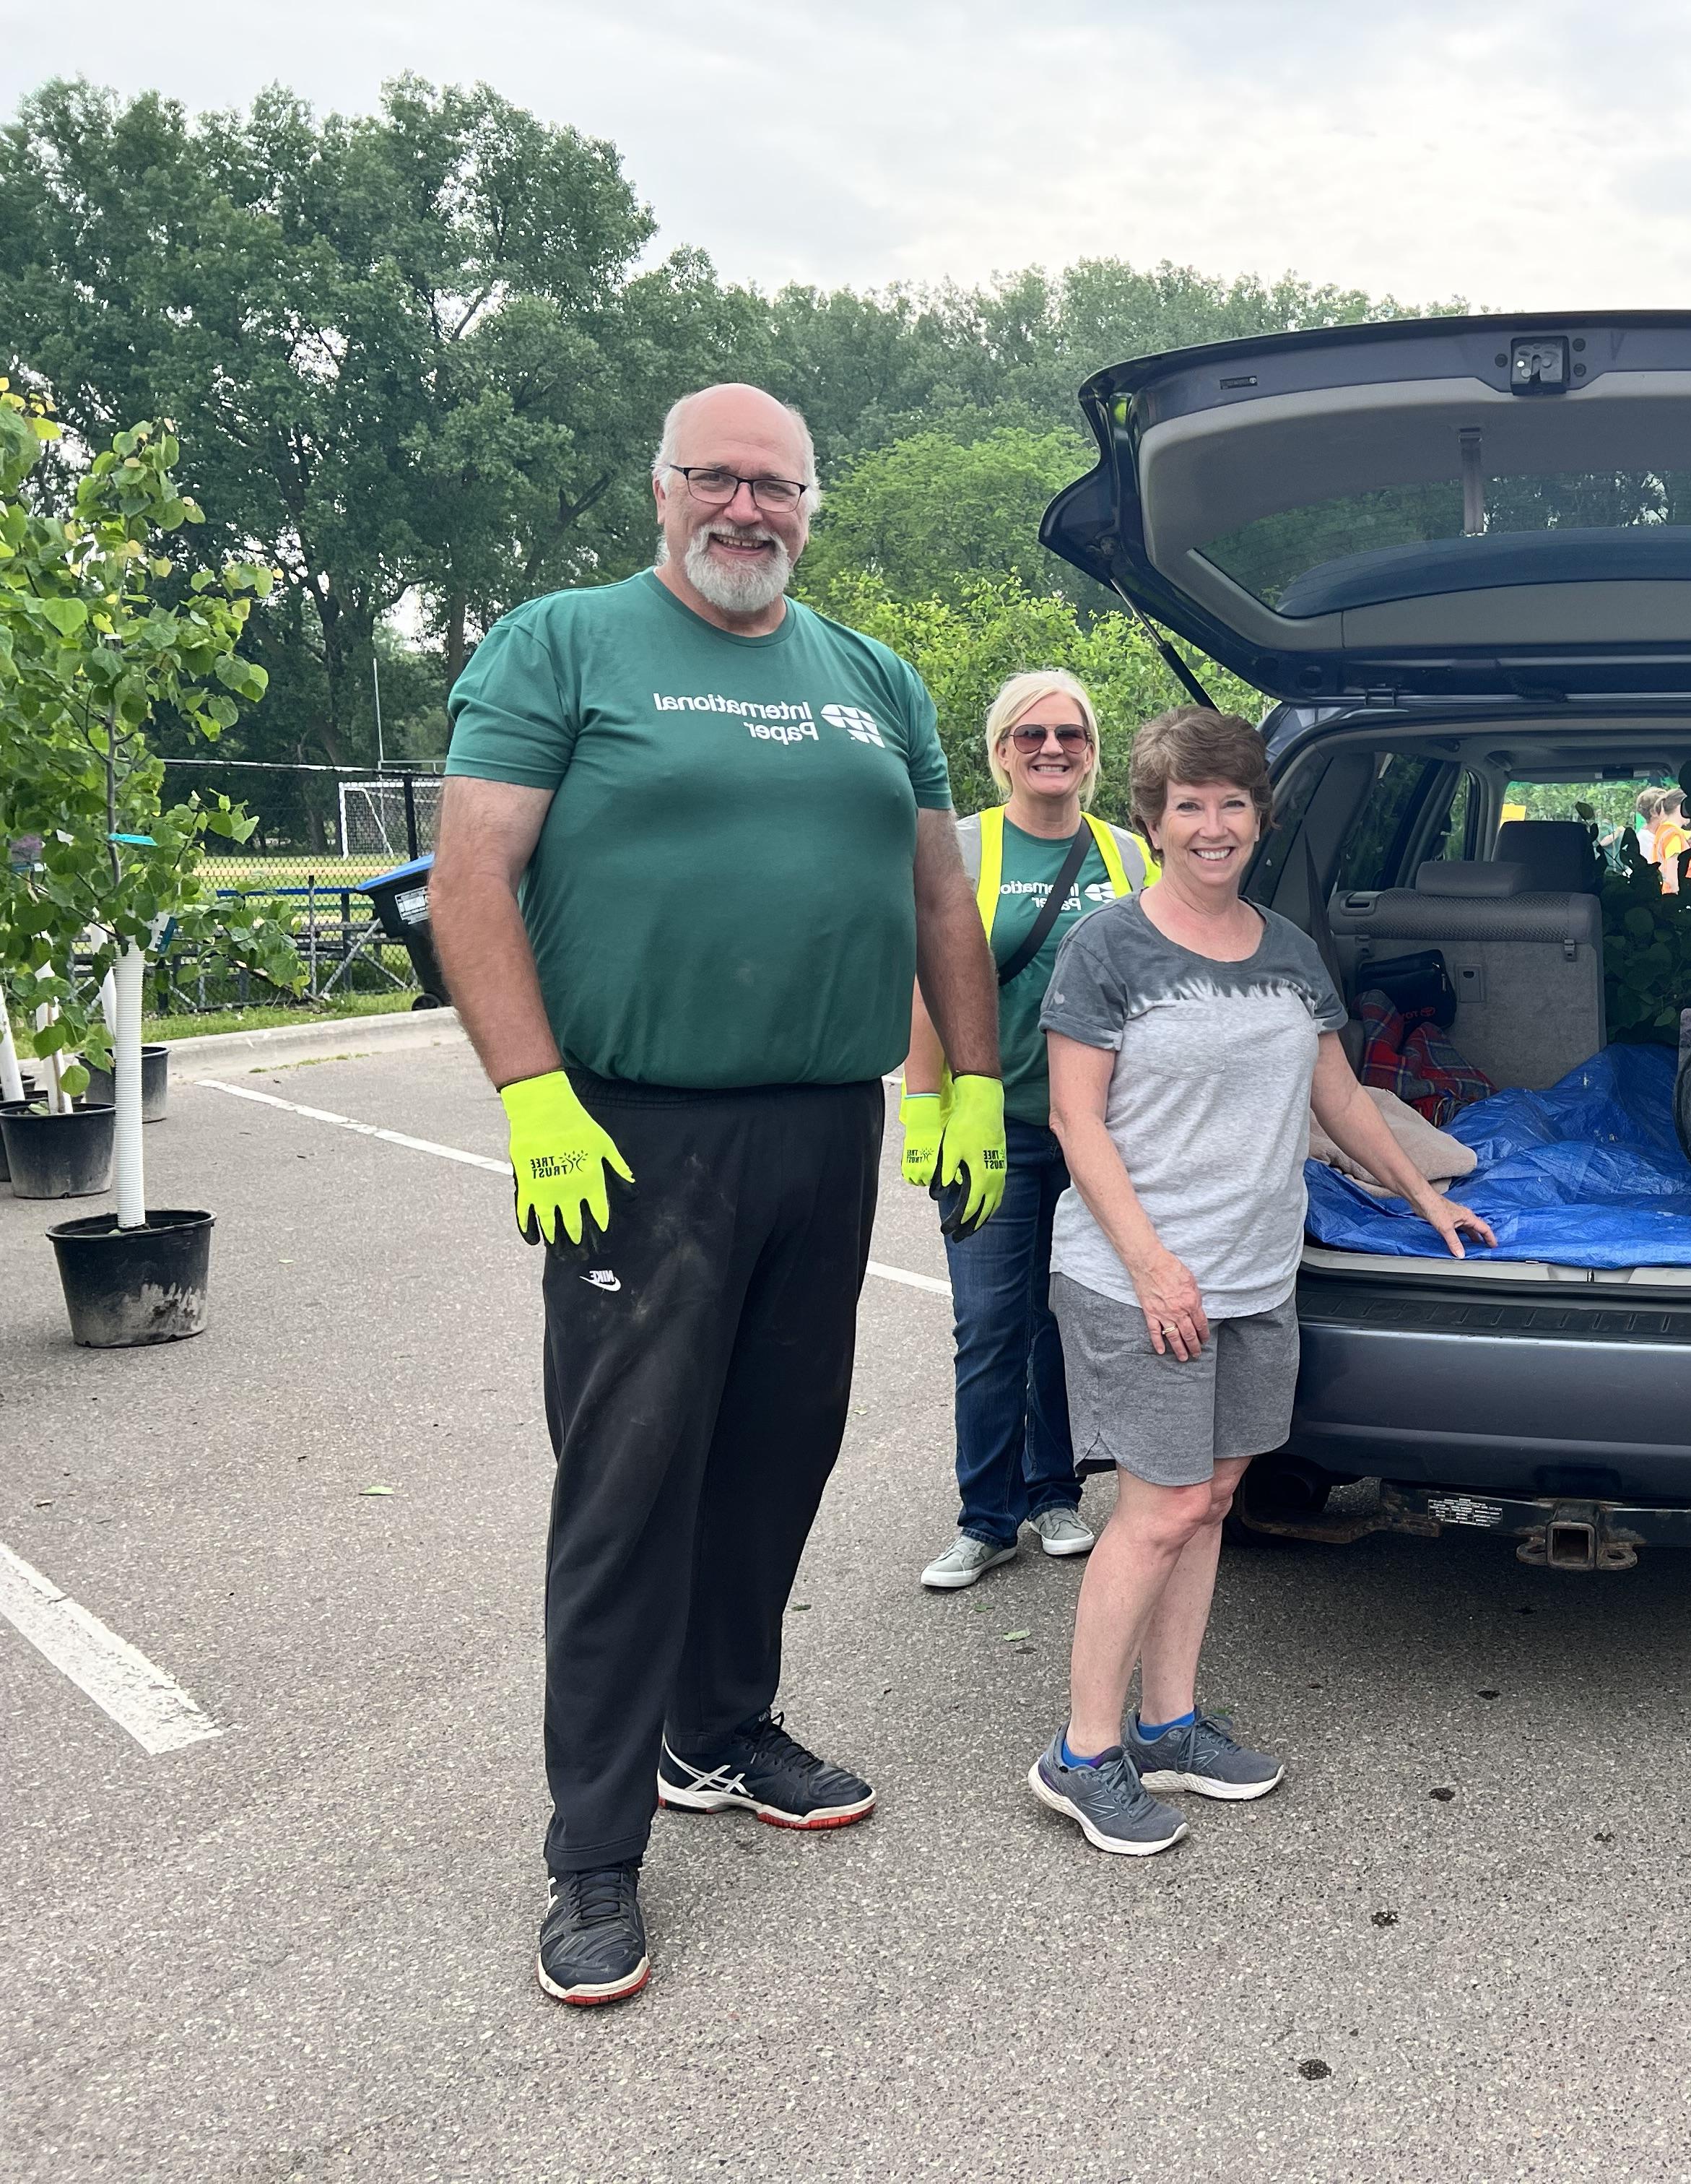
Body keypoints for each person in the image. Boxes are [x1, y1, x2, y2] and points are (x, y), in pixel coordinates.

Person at [432, 383, 1007, 2007]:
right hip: (631, 1135)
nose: (746, 510)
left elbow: (939, 896)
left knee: (774, 1454)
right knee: (627, 1487)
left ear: (814, 507)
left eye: (779, 487)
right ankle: (595, 1852)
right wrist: (533, 1094)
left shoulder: (872, 677)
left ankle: (722, 1729)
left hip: (819, 1129)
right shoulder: (561, 646)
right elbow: (471, 877)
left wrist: (971, 1080)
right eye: (718, 480)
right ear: (664, 489)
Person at [1025, 707, 1495, 1855]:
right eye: (1189, 802)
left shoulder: (1288, 948)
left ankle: (1170, 1724)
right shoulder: (1109, 947)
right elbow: (1072, 1116)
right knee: (1157, 1509)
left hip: (1253, 1272)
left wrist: (1419, 1193)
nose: (1213, 823)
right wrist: (1150, 1265)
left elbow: (1340, 1099)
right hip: (1140, 1275)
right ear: (1152, 818)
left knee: (1214, 1501)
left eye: (1233, 801)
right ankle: (1081, 1755)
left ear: (1260, 817)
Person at [907, 672, 1153, 1589]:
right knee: (988, 1324)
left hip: (1099, 1136)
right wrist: (924, 1111)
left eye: (1071, 735)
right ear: (1001, 749)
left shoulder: (1129, 856)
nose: (1052, 749)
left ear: (1092, 749)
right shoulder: (964, 847)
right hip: (994, 1132)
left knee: (1067, 1319)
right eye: (1030, 735)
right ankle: (984, 1515)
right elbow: (929, 989)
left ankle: (1055, 1493)